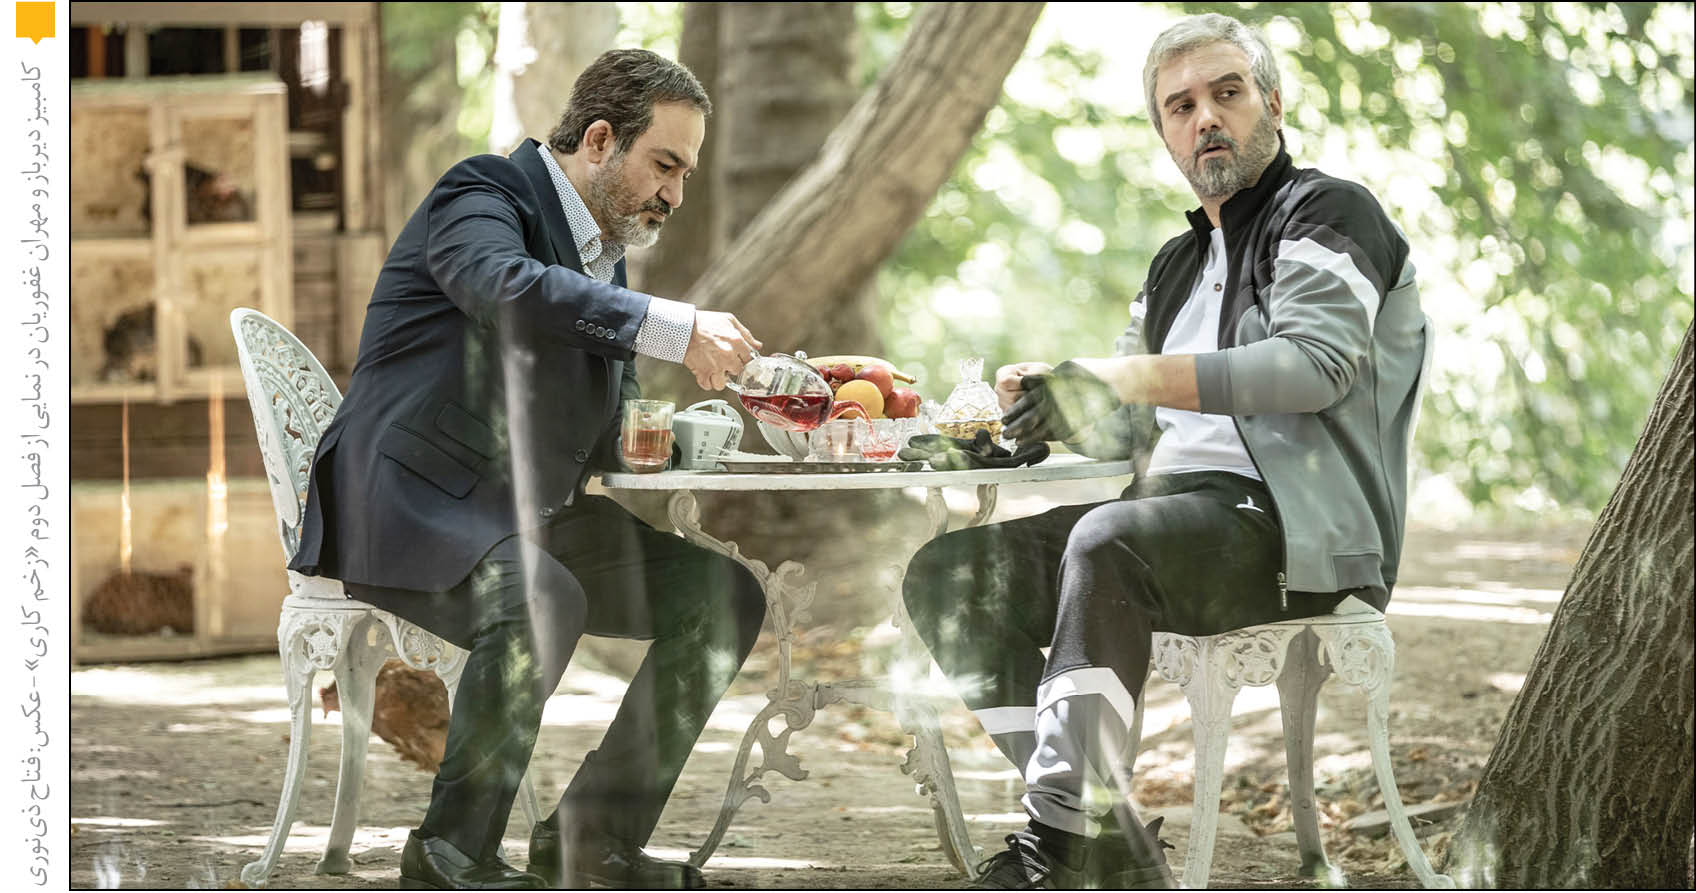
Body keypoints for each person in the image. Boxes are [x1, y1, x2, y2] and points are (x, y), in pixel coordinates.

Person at [901, 13, 1427, 889]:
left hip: (1297, 531)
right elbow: (1134, 430)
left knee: (1108, 538)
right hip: (1172, 515)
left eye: (1228, 93)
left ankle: (1057, 845)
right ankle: (1109, 837)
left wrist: (1119, 374)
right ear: (1166, 134)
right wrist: (1056, 405)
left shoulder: (1330, 213)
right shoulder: (1176, 264)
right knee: (948, 574)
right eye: (1180, 106)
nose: (1206, 117)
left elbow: (1313, 366)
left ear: (1273, 104)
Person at [289, 49, 768, 890]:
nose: (675, 194)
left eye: (685, 174)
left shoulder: (606, 255)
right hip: (407, 499)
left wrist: (693, 436)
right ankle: (449, 853)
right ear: (599, 140)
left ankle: (591, 840)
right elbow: (506, 289)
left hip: (518, 516)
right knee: (542, 598)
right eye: (665, 165)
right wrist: (672, 325)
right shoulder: (482, 193)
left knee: (723, 597)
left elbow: (610, 423)